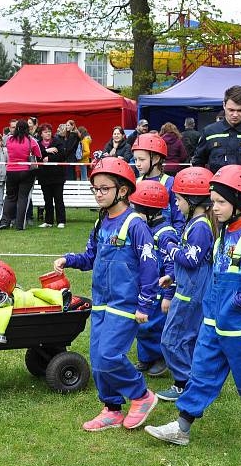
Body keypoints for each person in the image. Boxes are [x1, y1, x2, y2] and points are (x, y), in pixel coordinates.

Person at [146, 165, 241, 456]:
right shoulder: (223, 235)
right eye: (213, 200)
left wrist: (235, 303)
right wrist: (177, 277)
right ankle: (182, 428)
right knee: (201, 376)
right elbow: (214, 274)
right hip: (211, 323)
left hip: (239, 329)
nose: (214, 207)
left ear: (240, 203)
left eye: (220, 202)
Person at [53, 157, 159, 431]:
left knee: (110, 356)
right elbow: (91, 257)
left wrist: (145, 303)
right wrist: (70, 260)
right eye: (95, 189)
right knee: (98, 361)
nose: (98, 193)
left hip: (125, 306)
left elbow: (150, 266)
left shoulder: (135, 225)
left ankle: (141, 396)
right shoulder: (101, 223)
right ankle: (112, 408)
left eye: (104, 188)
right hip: (101, 303)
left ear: (122, 190)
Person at [156, 167, 215, 402]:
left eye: (179, 199)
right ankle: (195, 381)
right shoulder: (195, 223)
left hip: (191, 293)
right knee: (187, 338)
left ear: (192, 200)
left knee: (172, 338)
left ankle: (184, 383)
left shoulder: (200, 226)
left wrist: (167, 245)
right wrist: (173, 277)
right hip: (187, 287)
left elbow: (191, 259)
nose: (176, 205)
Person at [129, 180, 177, 378]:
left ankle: (160, 357)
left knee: (156, 325)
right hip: (146, 287)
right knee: (142, 324)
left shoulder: (166, 233)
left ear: (149, 210)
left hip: (160, 290)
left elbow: (171, 265)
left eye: (136, 209)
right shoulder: (145, 229)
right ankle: (146, 357)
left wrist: (168, 294)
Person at [192, 85, 241, 175]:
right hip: (216, 187)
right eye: (231, 110)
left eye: (240, 110)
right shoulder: (209, 132)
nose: (235, 114)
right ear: (224, 105)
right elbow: (198, 163)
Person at [132, 133, 185, 237]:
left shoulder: (170, 183)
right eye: (135, 159)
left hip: (164, 242)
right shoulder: (136, 182)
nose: (137, 164)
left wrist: (175, 241)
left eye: (142, 159)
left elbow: (178, 218)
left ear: (156, 159)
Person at [0, 119, 41, 230]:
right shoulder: (30, 140)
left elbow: (4, 148)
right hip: (26, 171)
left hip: (11, 171)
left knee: (10, 197)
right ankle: (19, 225)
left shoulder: (9, 139)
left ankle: (4, 222)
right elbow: (38, 154)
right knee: (23, 198)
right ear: (27, 128)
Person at [35, 123, 67, 229]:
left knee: (58, 199)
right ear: (41, 134)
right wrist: (46, 151)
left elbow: (62, 154)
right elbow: (37, 156)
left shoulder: (57, 141)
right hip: (44, 176)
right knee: (47, 200)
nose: (48, 133)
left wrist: (49, 158)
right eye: (45, 132)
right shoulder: (38, 144)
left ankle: (61, 221)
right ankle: (48, 221)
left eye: (49, 131)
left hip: (57, 176)